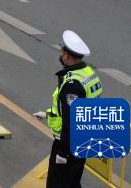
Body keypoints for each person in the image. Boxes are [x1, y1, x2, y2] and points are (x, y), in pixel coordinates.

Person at [33, 30, 103, 188]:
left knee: (58, 184)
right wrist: (48, 114)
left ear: (67, 55)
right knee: (73, 183)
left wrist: (63, 152)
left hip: (69, 145)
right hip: (84, 140)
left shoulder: (72, 85)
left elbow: (71, 121)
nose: (60, 54)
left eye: (62, 51)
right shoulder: (88, 73)